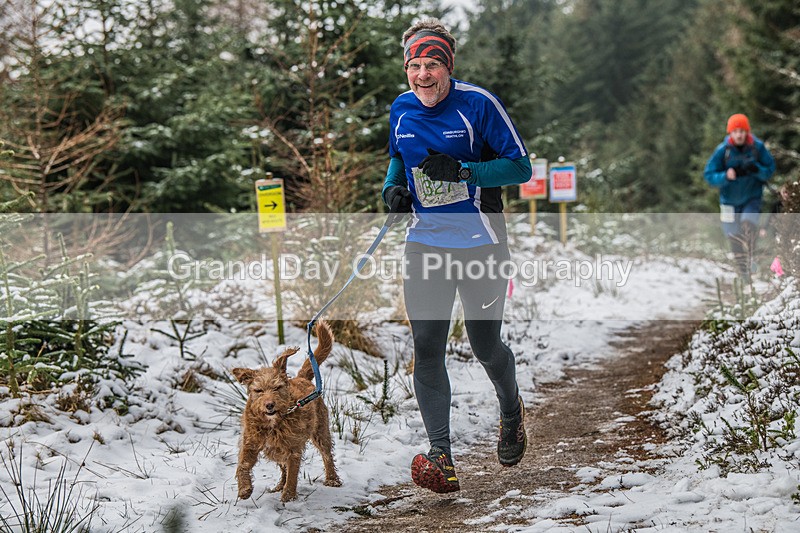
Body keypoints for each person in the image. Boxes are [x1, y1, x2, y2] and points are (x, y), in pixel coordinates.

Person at [381, 17, 532, 494]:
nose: (422, 75)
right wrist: (393, 190)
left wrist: (466, 171)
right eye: (415, 66)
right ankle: (441, 454)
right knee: (427, 346)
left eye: (432, 65)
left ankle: (511, 409)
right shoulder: (402, 109)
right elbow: (396, 158)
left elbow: (520, 167)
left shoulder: (478, 104)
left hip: (481, 243)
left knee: (485, 346)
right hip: (426, 243)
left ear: (448, 67)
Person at [704, 113, 775, 281]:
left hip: (752, 198)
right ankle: (744, 274)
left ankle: (752, 260)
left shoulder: (757, 148)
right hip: (729, 202)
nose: (739, 135)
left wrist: (756, 169)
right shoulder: (723, 151)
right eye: (736, 131)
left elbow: (770, 169)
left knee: (748, 226)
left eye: (743, 131)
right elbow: (709, 175)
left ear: (747, 132)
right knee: (734, 238)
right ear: (730, 133)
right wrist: (725, 176)